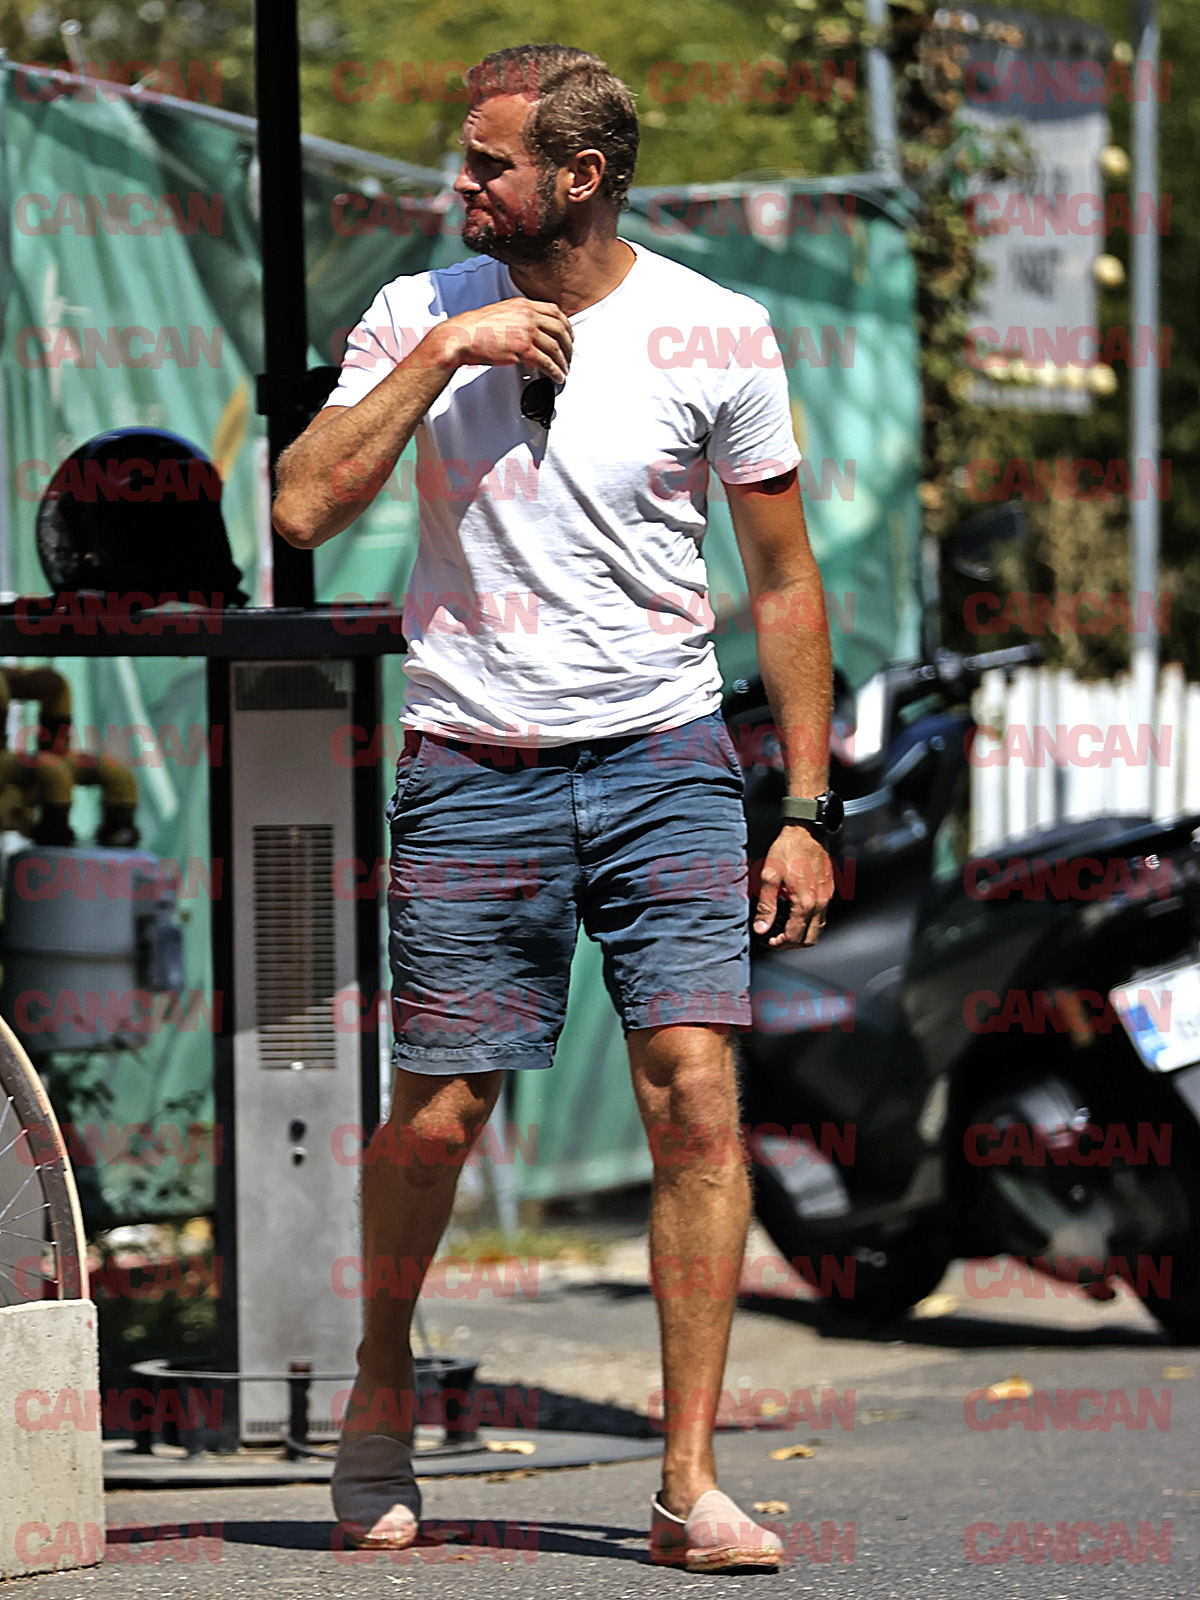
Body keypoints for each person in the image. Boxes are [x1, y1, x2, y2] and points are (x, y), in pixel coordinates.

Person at [273, 42, 835, 1574]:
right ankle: (381, 1391)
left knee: (695, 1094)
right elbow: (303, 504)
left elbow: (784, 583)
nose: (459, 182)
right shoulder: (419, 310)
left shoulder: (716, 328)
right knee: (441, 1113)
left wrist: (807, 805)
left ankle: (688, 1483)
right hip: (474, 763)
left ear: (578, 177)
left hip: (666, 762)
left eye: (489, 162)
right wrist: (445, 356)